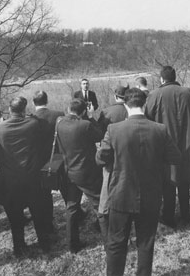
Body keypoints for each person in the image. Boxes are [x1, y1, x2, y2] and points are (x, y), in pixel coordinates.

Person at [96, 88, 181, 276]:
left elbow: (101, 159)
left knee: (116, 243)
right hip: (150, 195)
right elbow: (176, 157)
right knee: (145, 243)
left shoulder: (114, 129)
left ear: (126, 105)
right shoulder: (160, 129)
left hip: (121, 194)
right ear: (145, 105)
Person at [0, 97, 51, 257]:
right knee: (38, 213)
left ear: (9, 110)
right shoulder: (34, 124)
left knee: (15, 217)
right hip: (32, 178)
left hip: (9, 180)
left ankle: (19, 247)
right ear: (23, 110)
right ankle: (44, 243)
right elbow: (44, 139)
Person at [145, 66, 190, 228]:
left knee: (168, 181)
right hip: (186, 143)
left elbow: (148, 118)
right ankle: (185, 213)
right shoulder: (189, 93)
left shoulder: (155, 95)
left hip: (165, 144)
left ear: (162, 79)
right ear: (175, 77)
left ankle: (168, 216)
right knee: (183, 179)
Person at [56, 98, 103, 253]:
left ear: (68, 109)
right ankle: (108, 236)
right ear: (83, 111)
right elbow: (100, 135)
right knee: (99, 204)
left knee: (72, 207)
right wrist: (90, 116)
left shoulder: (59, 124)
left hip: (69, 171)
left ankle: (72, 244)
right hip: (86, 172)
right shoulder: (85, 125)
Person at [96, 85, 129, 243]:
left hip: (111, 157)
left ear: (116, 96)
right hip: (129, 157)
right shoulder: (130, 111)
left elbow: (99, 133)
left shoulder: (107, 112)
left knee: (107, 189)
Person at [32, 90, 65, 232]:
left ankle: (48, 222)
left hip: (39, 160)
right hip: (57, 157)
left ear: (34, 103)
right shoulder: (59, 115)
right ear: (47, 100)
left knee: (44, 193)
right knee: (64, 187)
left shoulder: (31, 118)